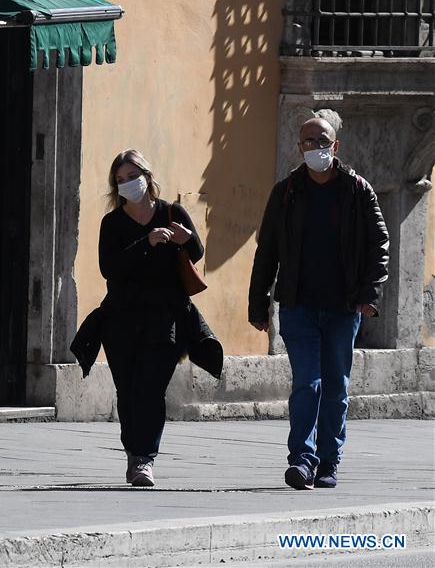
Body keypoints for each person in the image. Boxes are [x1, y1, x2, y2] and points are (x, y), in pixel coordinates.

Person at [248, 110, 389, 490]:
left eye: (322, 142)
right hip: (298, 306)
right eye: (308, 142)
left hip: (344, 308)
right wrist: (258, 305)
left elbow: (380, 245)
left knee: (336, 388)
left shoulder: (358, 190)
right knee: (307, 384)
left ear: (335, 146)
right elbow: (267, 252)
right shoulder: (287, 192)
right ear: (299, 148)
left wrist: (369, 294)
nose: (315, 148)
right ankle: (302, 460)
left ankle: (329, 460)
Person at [86, 149, 219, 487]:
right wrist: (146, 242)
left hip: (165, 318)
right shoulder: (112, 223)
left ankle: (145, 458)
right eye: (120, 180)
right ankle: (133, 454)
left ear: (147, 175)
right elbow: (109, 268)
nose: (128, 184)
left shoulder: (172, 212)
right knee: (128, 390)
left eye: (133, 176)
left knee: (151, 388)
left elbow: (197, 253)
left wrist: (188, 239)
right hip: (121, 318)